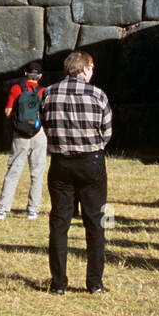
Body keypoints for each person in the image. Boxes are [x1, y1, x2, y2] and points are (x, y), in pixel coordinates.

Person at [41, 51, 113, 295]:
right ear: (85, 69)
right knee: (95, 223)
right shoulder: (97, 94)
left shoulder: (49, 93)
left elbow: (45, 125)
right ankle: (94, 283)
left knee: (60, 223)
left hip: (61, 162)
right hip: (91, 162)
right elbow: (107, 132)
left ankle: (58, 283)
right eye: (91, 69)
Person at [0, 61, 47, 220]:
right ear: (40, 76)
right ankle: (33, 210)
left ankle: (3, 210)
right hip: (38, 135)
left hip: (20, 135)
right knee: (37, 174)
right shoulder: (44, 91)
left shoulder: (16, 89)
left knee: (13, 172)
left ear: (25, 74)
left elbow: (7, 112)